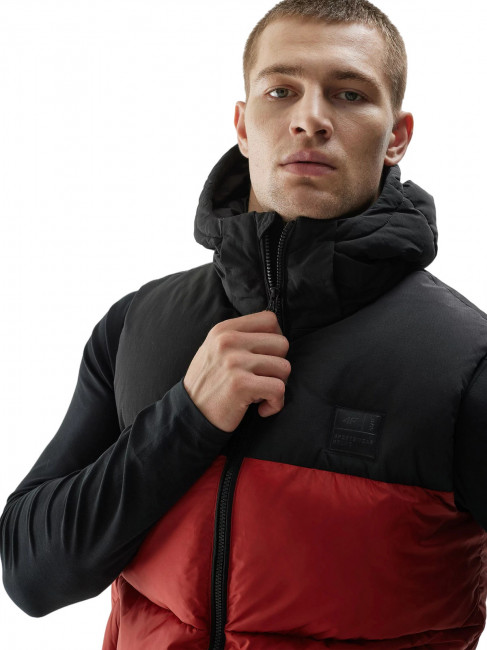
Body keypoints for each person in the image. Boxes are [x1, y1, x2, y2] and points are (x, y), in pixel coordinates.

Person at [2, 0, 487, 648]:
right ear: (242, 124)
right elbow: (31, 576)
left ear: (396, 135)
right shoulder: (135, 325)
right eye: (280, 91)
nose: (310, 118)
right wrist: (187, 418)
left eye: (348, 94)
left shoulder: (465, 363)